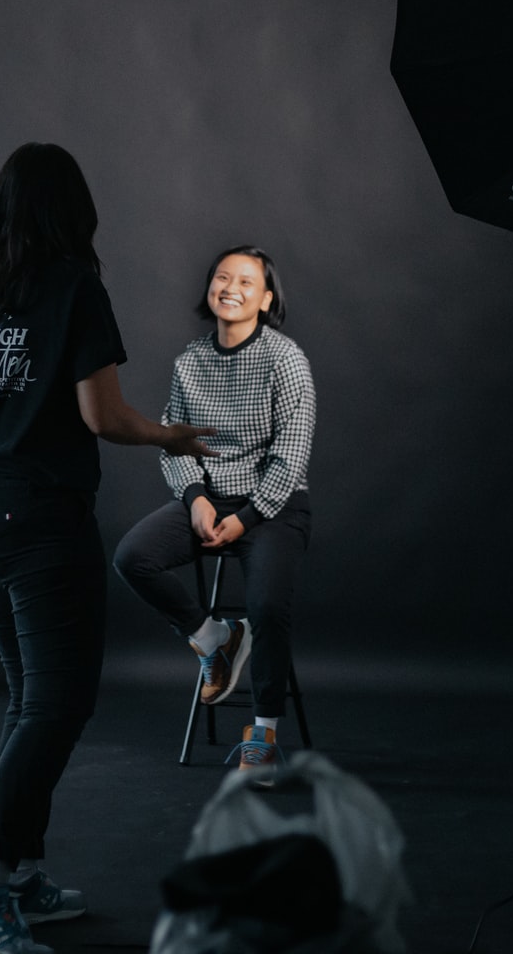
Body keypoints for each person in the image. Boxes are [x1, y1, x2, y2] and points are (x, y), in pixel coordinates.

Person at [0, 142, 213, 954]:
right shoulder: (75, 289)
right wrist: (173, 435)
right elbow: (103, 419)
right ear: (72, 211)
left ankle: (17, 874)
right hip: (35, 522)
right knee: (57, 705)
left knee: (28, 699)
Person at [113, 246, 315, 776]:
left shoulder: (285, 358)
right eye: (222, 277)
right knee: (132, 557)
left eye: (246, 281)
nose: (231, 287)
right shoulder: (189, 362)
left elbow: (292, 453)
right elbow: (172, 443)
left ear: (266, 298)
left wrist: (247, 517)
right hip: (210, 498)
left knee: (268, 607)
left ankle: (264, 735)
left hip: (274, 506)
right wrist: (195, 498)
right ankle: (215, 639)